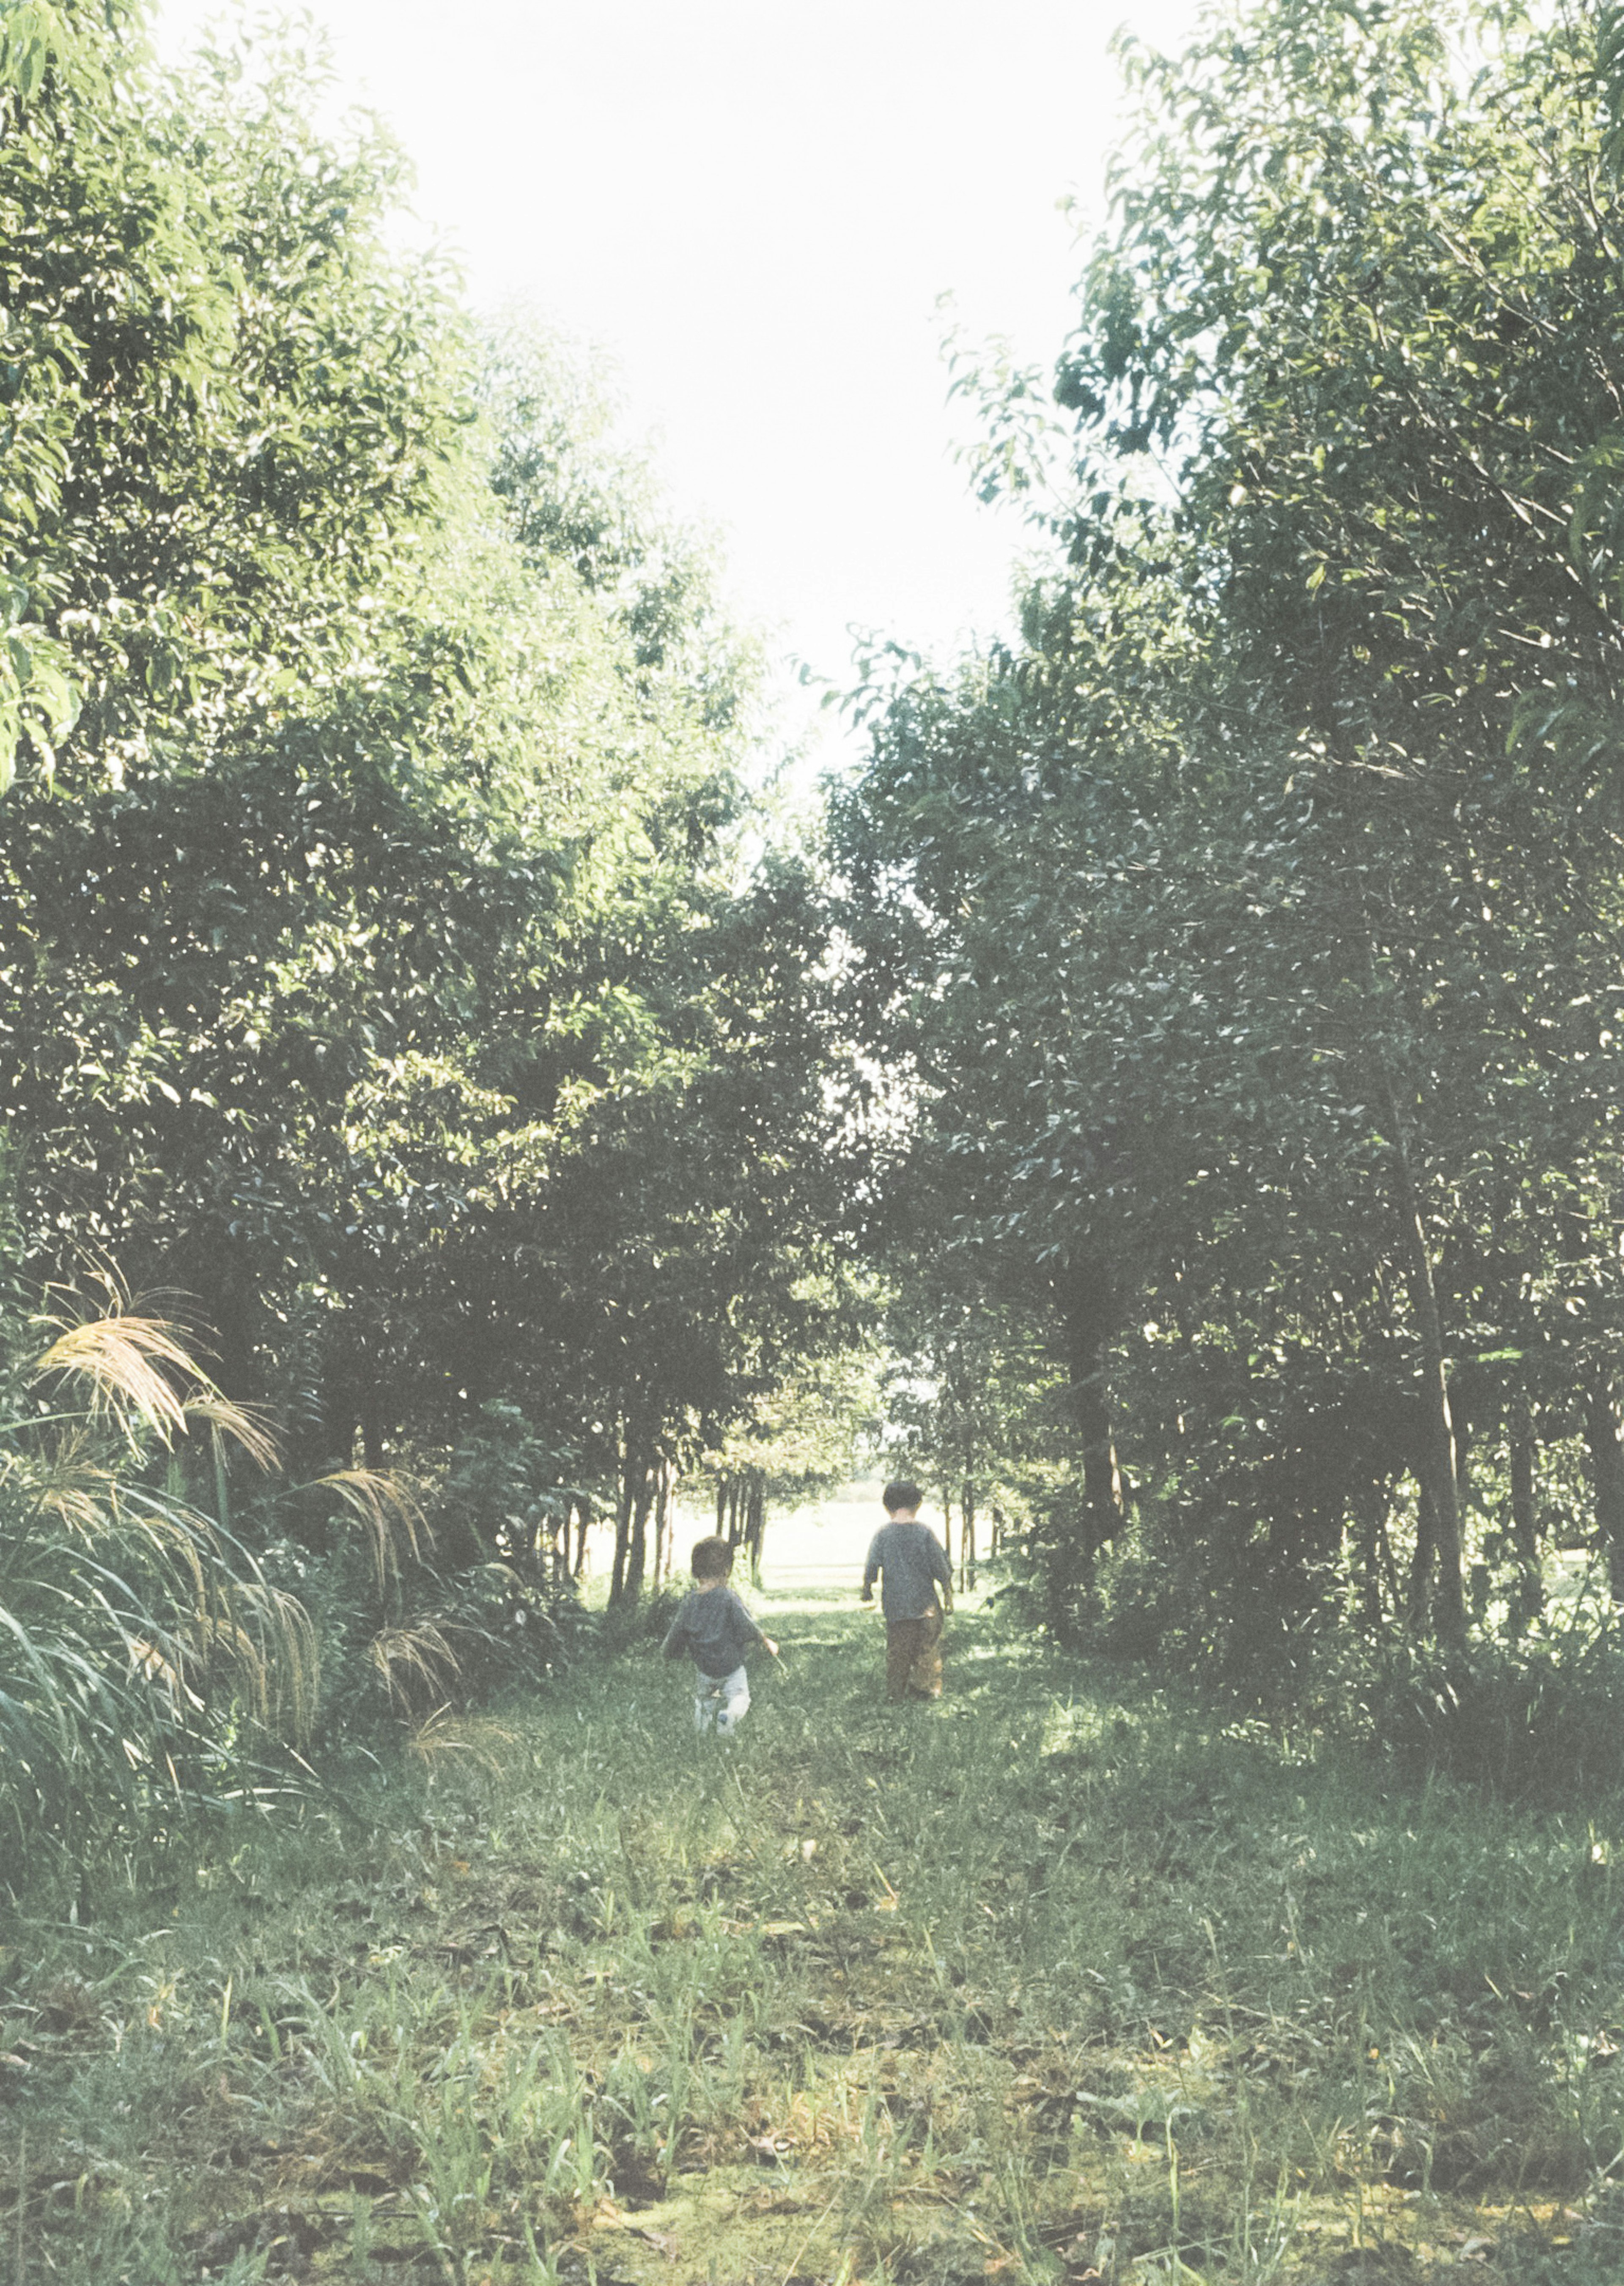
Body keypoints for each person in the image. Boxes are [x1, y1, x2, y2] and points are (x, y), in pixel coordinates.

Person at [662, 1535, 778, 1735]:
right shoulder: (728, 1598)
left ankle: (701, 1731)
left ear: (695, 1572)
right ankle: (730, 1716)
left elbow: (677, 1631)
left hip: (705, 1669)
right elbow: (746, 1624)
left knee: (705, 1701)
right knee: (741, 1697)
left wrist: (669, 1651)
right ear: (727, 1571)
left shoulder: (689, 1602)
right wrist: (764, 1640)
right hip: (731, 1667)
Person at [861, 1480, 953, 1702]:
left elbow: (872, 1565)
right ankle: (926, 1691)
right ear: (918, 1504)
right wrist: (949, 1595)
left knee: (898, 1652)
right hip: (927, 1606)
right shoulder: (925, 1533)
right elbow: (941, 1567)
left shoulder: (883, 1535)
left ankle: (896, 1694)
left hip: (897, 1607)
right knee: (928, 1649)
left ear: (887, 1506)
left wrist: (867, 1589)